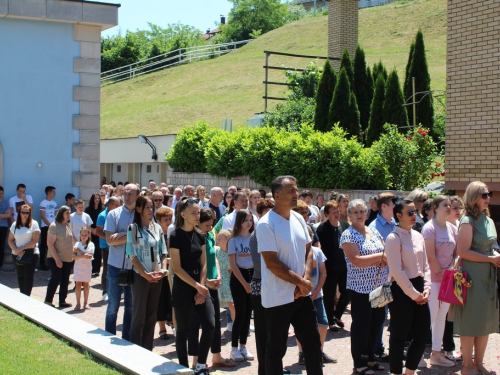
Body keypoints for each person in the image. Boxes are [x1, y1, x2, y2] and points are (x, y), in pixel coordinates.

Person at [257, 175, 323, 375]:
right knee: (276, 350)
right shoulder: (265, 224)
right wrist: (301, 282)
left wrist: (303, 282)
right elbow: (272, 263)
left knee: (312, 345)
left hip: (300, 296)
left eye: (296, 190)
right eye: (290, 191)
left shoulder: (297, 218)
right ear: (277, 196)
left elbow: (308, 250)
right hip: (278, 299)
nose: (296, 194)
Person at [454, 181, 499, 375]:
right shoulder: (467, 220)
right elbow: (463, 252)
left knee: (484, 321)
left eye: (489, 194)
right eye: (484, 195)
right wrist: (490, 258)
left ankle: (479, 364)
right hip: (471, 275)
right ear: (473, 197)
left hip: (488, 274)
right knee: (471, 321)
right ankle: (466, 365)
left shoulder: (487, 219)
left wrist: (495, 255)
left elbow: (491, 245)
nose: (488, 198)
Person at [340, 199, 388, 375]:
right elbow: (356, 260)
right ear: (350, 215)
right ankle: (359, 362)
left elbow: (385, 252)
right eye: (356, 212)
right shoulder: (348, 235)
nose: (360, 215)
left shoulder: (373, 231)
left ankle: (370, 358)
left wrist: (383, 259)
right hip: (360, 289)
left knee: (377, 323)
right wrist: (379, 258)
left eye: (362, 211)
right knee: (362, 325)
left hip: (380, 286)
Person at [386, 198, 431, 375]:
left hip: (420, 288)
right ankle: (396, 372)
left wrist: (427, 289)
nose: (414, 216)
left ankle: (409, 371)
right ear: (399, 215)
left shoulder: (418, 235)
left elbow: (425, 266)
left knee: (422, 334)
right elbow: (397, 271)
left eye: (415, 212)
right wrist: (414, 295)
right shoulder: (393, 238)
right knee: (399, 336)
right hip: (401, 289)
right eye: (410, 212)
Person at [169, 199, 215, 375]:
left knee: (210, 325)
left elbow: (203, 264)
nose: (197, 216)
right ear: (183, 214)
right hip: (183, 286)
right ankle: (182, 368)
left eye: (198, 212)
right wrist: (197, 286)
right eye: (193, 213)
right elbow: (177, 268)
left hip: (200, 286)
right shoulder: (175, 236)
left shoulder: (200, 235)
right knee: (183, 331)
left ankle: (201, 366)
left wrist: (201, 288)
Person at [188, 209, 234, 369]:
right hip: (200, 285)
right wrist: (205, 282)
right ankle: (195, 360)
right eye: (207, 225)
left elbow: (213, 256)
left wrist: (219, 275)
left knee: (213, 322)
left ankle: (217, 356)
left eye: (212, 224)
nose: (210, 227)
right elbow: (195, 264)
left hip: (213, 283)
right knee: (196, 323)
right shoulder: (193, 237)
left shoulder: (208, 235)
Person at [126, 196, 166, 351]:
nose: (151, 210)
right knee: (139, 316)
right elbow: (131, 254)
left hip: (157, 276)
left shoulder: (157, 227)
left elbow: (163, 251)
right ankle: (136, 350)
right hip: (140, 277)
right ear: (139, 209)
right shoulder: (133, 228)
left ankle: (148, 349)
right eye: (147, 207)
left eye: (152, 207)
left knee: (151, 316)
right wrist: (144, 274)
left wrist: (162, 269)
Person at [421, 195, 457, 367]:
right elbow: (429, 255)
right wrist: (439, 271)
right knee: (430, 317)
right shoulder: (429, 228)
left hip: (448, 279)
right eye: (445, 205)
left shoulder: (452, 228)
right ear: (435, 208)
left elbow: (457, 254)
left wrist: (450, 270)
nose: (449, 208)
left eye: (450, 205)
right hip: (434, 280)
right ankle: (418, 354)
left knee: (441, 317)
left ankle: (436, 353)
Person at [296, 225, 337, 366]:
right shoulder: (297, 252)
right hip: (301, 295)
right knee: (301, 326)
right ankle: (302, 353)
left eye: (310, 235)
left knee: (323, 323)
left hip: (317, 295)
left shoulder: (317, 252)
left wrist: (317, 290)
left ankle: (319, 351)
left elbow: (323, 273)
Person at [104, 183, 140, 341]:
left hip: (134, 267)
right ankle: (108, 336)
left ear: (138, 196)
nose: (127, 196)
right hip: (115, 266)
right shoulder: (114, 215)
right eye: (125, 193)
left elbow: (143, 238)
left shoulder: (141, 215)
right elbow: (109, 241)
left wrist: (121, 235)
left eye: (130, 193)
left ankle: (127, 339)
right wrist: (131, 236)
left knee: (131, 308)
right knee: (112, 306)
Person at [368, 192, 395, 360]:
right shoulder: (373, 227)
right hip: (381, 281)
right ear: (384, 206)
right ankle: (377, 349)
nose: (396, 206)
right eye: (393, 203)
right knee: (380, 316)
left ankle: (395, 348)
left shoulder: (396, 224)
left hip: (397, 278)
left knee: (396, 316)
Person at [249, 198, 274, 375]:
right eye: (266, 211)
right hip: (260, 287)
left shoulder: (276, 232)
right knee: (263, 334)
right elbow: (259, 263)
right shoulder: (256, 235)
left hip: (276, 287)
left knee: (275, 333)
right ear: (259, 215)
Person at [316, 200, 350, 331]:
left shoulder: (345, 225)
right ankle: (330, 321)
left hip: (344, 266)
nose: (336, 214)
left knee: (347, 292)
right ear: (326, 214)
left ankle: (337, 314)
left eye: (337, 211)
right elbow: (320, 248)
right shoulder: (322, 228)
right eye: (333, 212)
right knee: (329, 295)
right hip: (329, 266)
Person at [228, 209, 255, 362]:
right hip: (239, 278)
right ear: (239, 222)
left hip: (253, 275)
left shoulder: (254, 238)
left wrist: (253, 281)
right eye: (246, 220)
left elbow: (257, 260)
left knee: (248, 315)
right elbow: (233, 264)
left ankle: (243, 346)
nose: (249, 223)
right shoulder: (233, 240)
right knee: (240, 314)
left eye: (250, 220)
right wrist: (245, 284)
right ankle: (233, 348)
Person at [45, 206, 74, 308]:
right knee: (56, 277)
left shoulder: (68, 225)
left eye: (69, 213)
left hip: (67, 258)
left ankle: (62, 301)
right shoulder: (54, 226)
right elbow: (50, 243)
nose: (68, 215)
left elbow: (71, 239)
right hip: (55, 257)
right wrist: (57, 259)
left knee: (65, 279)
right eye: (67, 213)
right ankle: (48, 300)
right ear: (61, 214)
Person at [8, 204, 40, 296]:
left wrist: (22, 248)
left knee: (28, 276)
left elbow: (35, 240)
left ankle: (27, 297)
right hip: (17, 254)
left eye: (27, 212)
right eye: (23, 212)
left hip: (31, 253)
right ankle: (22, 296)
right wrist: (16, 250)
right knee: (20, 275)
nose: (25, 214)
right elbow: (10, 240)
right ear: (19, 213)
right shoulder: (14, 224)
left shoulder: (34, 224)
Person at [96, 196, 121, 302]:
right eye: (116, 205)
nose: (118, 207)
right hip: (106, 246)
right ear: (110, 204)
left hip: (116, 245)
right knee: (106, 268)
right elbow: (98, 231)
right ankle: (105, 291)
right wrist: (108, 239)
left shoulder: (118, 214)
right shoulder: (102, 215)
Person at [155, 207, 174, 340]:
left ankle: (173, 324)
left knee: (172, 299)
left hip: (173, 271)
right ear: (159, 221)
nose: (168, 222)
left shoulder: (174, 233)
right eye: (165, 219)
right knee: (161, 300)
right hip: (161, 271)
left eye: (169, 219)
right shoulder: (156, 234)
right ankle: (162, 328)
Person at [215, 230, 235, 332]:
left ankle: (237, 325)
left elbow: (233, 269)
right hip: (219, 282)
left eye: (220, 238)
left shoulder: (231, 253)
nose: (217, 240)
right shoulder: (217, 251)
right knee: (219, 305)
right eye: (217, 238)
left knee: (232, 305)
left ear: (227, 240)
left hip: (229, 282)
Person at [73, 227, 95, 310]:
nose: (84, 236)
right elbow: (73, 256)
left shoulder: (91, 245)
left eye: (85, 235)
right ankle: (78, 303)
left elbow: (90, 256)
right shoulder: (77, 244)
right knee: (78, 284)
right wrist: (82, 255)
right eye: (82, 234)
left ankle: (86, 303)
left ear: (89, 235)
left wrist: (79, 252)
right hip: (78, 267)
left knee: (86, 284)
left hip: (87, 267)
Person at [39, 186, 58, 271]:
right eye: (53, 191)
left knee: (53, 245)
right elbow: (43, 216)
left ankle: (51, 263)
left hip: (54, 227)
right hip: (45, 227)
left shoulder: (54, 203)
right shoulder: (43, 203)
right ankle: (42, 263)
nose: (55, 193)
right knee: (44, 245)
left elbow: (56, 215)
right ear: (49, 192)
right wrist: (49, 225)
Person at [85, 193, 103, 277]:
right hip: (90, 232)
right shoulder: (88, 210)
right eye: (95, 198)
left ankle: (97, 269)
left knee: (98, 251)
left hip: (99, 232)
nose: (97, 200)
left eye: (98, 198)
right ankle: (90, 268)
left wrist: (97, 230)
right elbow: (86, 221)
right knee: (91, 250)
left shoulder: (102, 209)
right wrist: (91, 229)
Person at [0, 186, 11, 272]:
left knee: (1, 246)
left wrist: (3, 215)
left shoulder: (6, 203)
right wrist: (3, 214)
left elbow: (8, 215)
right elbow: (6, 214)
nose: (1, 195)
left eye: (2, 193)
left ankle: (0, 266)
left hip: (3, 227)